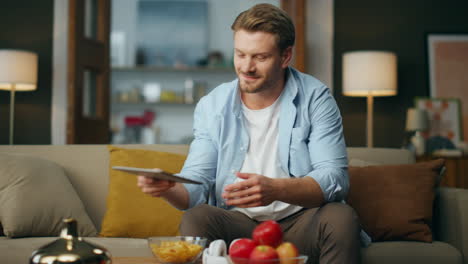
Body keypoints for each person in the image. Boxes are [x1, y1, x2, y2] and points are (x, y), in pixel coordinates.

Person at [137, 3, 364, 264]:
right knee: (196, 217)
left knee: (340, 217)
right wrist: (169, 188)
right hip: (239, 223)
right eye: (240, 54)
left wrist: (276, 189)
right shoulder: (213, 105)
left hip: (302, 221)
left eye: (260, 57)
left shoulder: (316, 98)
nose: (246, 67)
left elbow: (335, 178)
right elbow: (196, 186)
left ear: (285, 56)